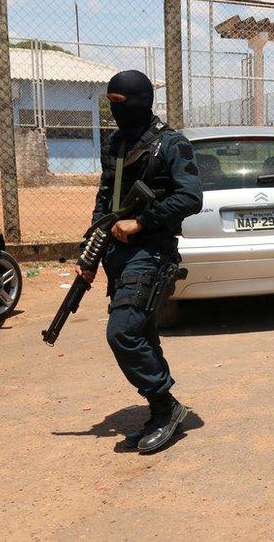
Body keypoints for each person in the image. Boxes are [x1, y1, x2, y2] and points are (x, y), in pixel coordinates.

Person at [75, 70, 202, 454]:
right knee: (141, 331)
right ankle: (160, 410)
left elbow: (191, 197)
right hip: (117, 253)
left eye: (120, 103)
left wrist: (142, 220)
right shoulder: (115, 143)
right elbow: (104, 197)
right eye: (110, 103)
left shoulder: (171, 144)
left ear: (141, 101)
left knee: (122, 332)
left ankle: (167, 405)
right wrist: (90, 251)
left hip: (152, 251)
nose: (115, 112)